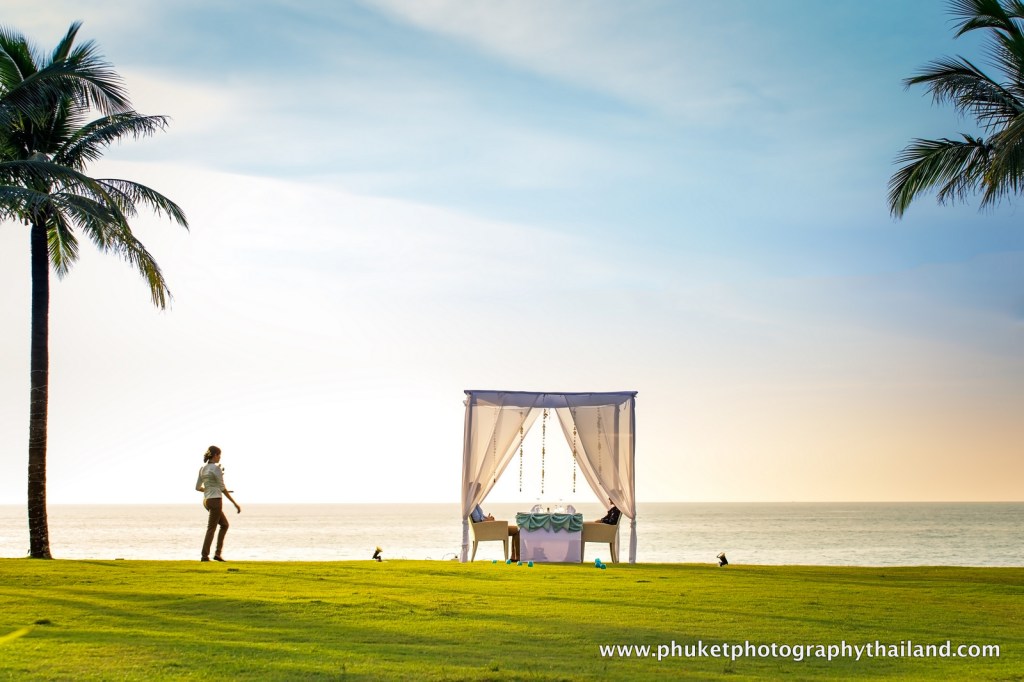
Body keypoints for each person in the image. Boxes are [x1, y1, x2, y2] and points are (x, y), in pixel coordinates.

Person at [195, 445, 241, 562]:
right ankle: (205, 556)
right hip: (215, 501)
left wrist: (210, 488)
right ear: (215, 455)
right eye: (219, 455)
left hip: (207, 501)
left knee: (224, 525)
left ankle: (217, 554)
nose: (220, 457)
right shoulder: (216, 469)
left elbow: (198, 487)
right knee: (211, 528)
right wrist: (235, 503)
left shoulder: (202, 469)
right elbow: (222, 488)